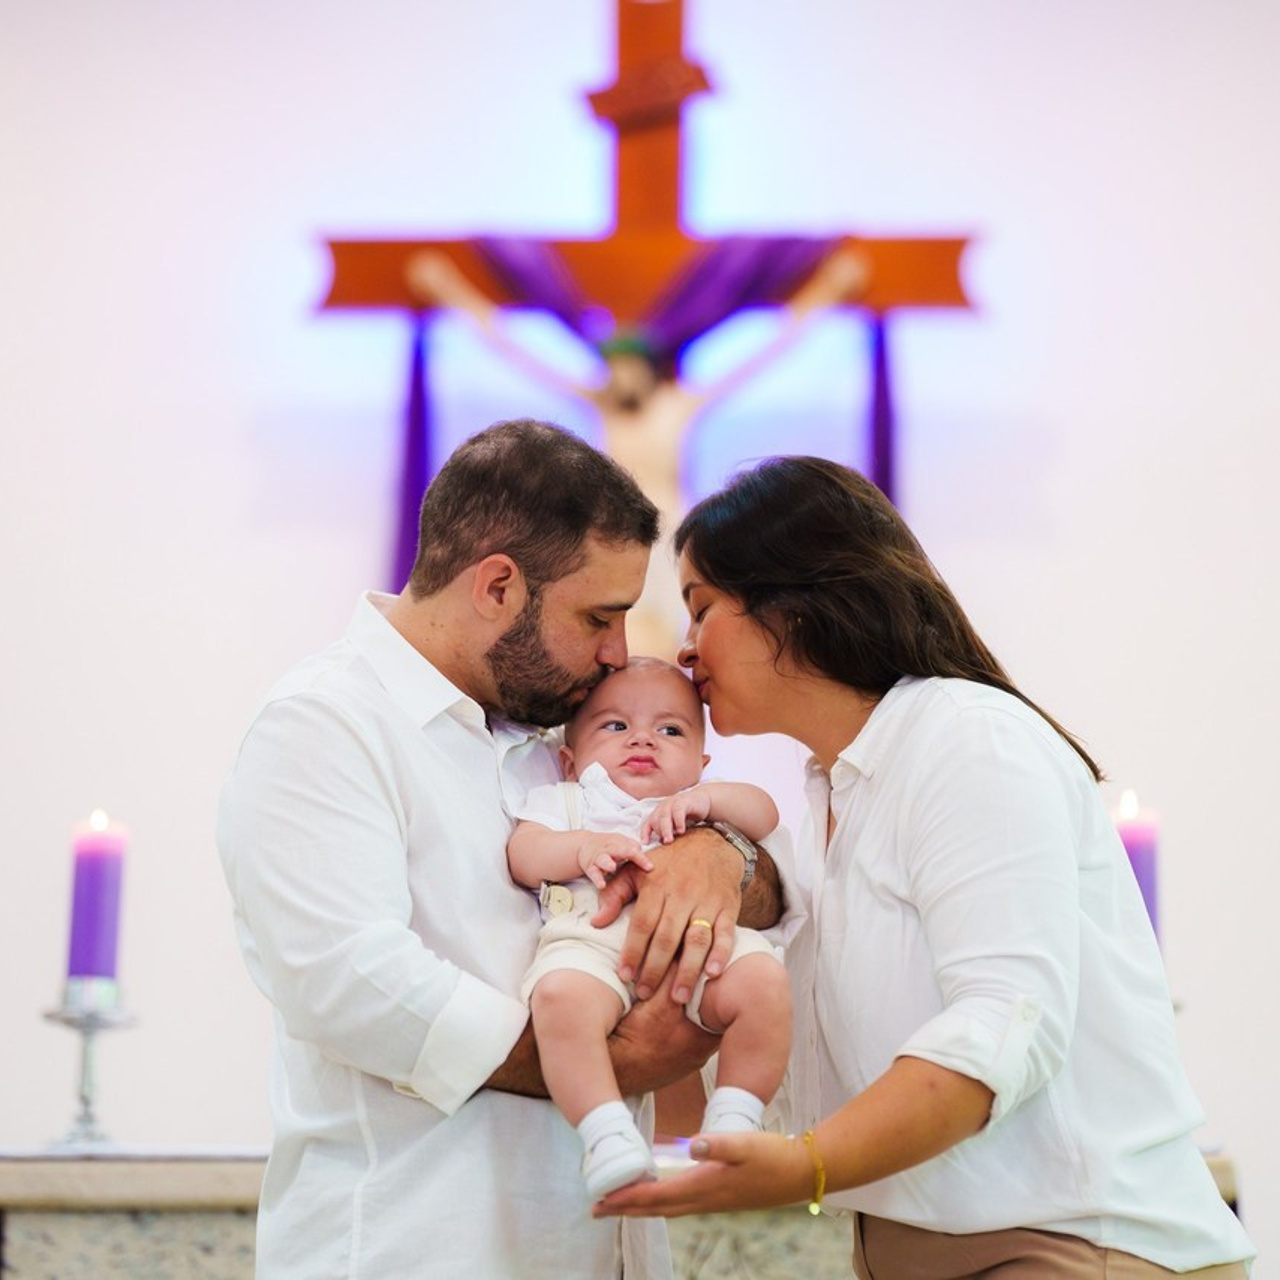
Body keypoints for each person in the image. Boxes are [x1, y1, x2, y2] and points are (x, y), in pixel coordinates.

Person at [597, 457, 1256, 1277]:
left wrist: (807, 1165)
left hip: (1077, 1244)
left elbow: (1003, 1022)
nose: (685, 648)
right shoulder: (834, 786)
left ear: (792, 604)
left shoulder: (966, 738)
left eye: (700, 608)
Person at [216, 418, 783, 1279]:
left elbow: (782, 882)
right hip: (420, 1248)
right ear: (497, 587)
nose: (617, 654)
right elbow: (351, 982)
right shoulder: (323, 725)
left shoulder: (557, 727)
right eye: (598, 616)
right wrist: (605, 1061)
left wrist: (721, 854)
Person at [406, 249, 867, 659]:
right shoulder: (598, 404)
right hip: (609, 536)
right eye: (614, 367)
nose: (622, 379)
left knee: (670, 644)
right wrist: (449, 290)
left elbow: (766, 354)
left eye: (631, 367)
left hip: (669, 534)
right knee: (606, 640)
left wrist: (827, 290)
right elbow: (511, 348)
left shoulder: (676, 405)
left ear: (649, 366)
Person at [508, 657, 792, 1199]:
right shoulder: (569, 800)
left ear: (701, 762)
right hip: (593, 942)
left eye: (670, 730)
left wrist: (707, 801)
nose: (643, 740)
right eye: (616, 726)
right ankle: (605, 1133)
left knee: (764, 984)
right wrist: (581, 848)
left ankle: (736, 1118)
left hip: (705, 944)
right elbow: (524, 854)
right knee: (559, 1001)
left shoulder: (699, 805)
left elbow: (766, 813)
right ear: (569, 760)